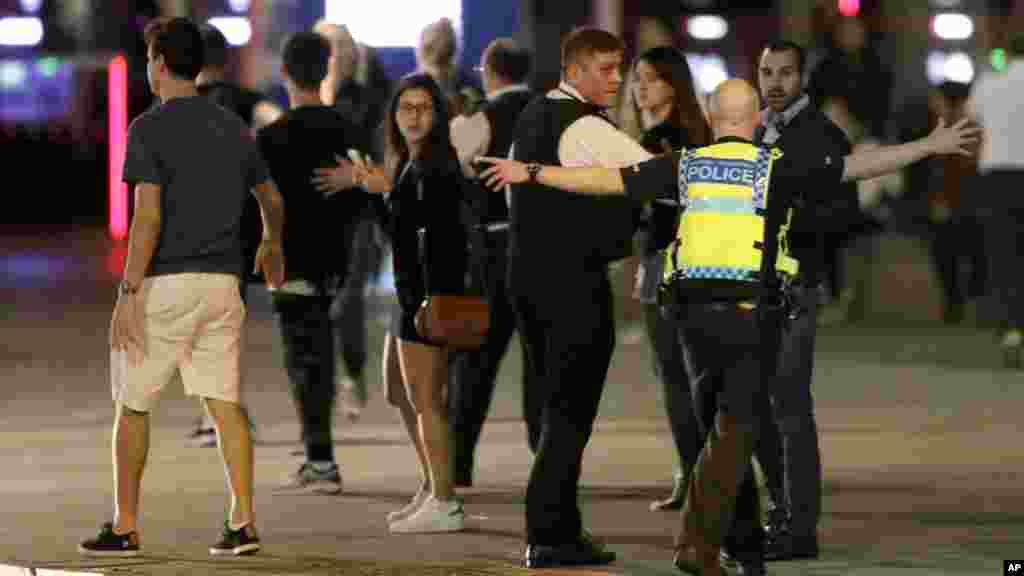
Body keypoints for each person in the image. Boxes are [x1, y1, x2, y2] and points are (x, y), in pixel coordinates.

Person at [477, 78, 978, 576]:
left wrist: (535, 171)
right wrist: (929, 147)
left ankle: (744, 546)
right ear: (758, 120)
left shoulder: (686, 164)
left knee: (718, 425)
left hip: (691, 318)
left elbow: (608, 179)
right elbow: (857, 167)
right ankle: (698, 543)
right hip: (751, 315)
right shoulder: (777, 167)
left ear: (714, 120)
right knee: (736, 429)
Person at [78, 16, 285, 557]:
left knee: (133, 405)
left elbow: (146, 220)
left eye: (149, 59)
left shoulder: (148, 128)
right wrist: (271, 243)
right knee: (225, 406)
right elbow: (273, 199)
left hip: (166, 286)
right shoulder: (233, 127)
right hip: (223, 287)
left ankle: (125, 525)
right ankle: (243, 522)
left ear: (160, 65)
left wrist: (126, 294)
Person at [504, 26, 656, 569]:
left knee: (552, 408)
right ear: (574, 70)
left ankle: (559, 528)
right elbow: (654, 176)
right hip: (572, 282)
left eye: (619, 68)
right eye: (605, 69)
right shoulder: (585, 126)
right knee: (572, 412)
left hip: (526, 277)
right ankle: (548, 533)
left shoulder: (531, 115)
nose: (616, 79)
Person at [743, 40, 854, 563]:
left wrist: (791, 208)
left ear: (802, 77)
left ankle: (799, 526)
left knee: (789, 410)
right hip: (753, 288)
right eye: (767, 72)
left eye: (785, 73)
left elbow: (841, 216)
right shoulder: (756, 131)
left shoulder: (823, 136)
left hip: (795, 289)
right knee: (758, 409)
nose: (775, 82)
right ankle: (781, 511)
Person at [347, 73, 470, 533]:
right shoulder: (410, 163)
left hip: (427, 297)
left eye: (423, 107)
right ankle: (430, 483)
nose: (414, 116)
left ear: (437, 116)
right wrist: (382, 193)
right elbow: (398, 232)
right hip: (408, 294)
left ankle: (445, 500)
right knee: (398, 392)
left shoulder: (436, 165)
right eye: (406, 108)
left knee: (425, 400)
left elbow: (427, 234)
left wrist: (384, 194)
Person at [257, 31, 366, 494]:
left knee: (304, 358)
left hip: (290, 260)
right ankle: (315, 451)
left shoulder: (270, 138)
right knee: (317, 350)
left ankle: (320, 459)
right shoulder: (348, 129)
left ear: (284, 73)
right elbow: (367, 192)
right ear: (326, 72)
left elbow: (257, 204)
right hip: (337, 259)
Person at [186, 23, 283, 448]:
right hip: (237, 230)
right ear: (227, 60)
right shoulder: (246, 101)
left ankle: (216, 418)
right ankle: (222, 414)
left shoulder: (176, 106)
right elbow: (279, 124)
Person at [447, 37, 535, 487]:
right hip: (543, 252)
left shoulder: (479, 118)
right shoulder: (547, 113)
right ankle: (546, 459)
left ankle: (458, 464)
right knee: (541, 362)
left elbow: (459, 171)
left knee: (476, 362)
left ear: (489, 70)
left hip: (491, 251)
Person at [626, 46, 710, 513]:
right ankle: (702, 469)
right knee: (695, 372)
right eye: (637, 78)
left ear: (672, 86)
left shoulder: (658, 139)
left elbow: (636, 207)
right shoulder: (702, 134)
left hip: (665, 263)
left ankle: (692, 471)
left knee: (674, 376)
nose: (639, 87)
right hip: (703, 262)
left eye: (649, 79)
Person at [311, 20, 387, 420]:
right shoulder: (305, 98)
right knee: (315, 306)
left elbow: (374, 155)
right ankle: (320, 395)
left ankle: (353, 377)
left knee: (347, 302)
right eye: (329, 46)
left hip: (355, 214)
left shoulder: (365, 101)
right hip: (313, 216)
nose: (337, 53)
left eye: (342, 46)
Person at [966, 33, 1024, 368]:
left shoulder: (990, 80)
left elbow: (971, 122)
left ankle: (1011, 327)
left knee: (1004, 254)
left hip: (998, 177)